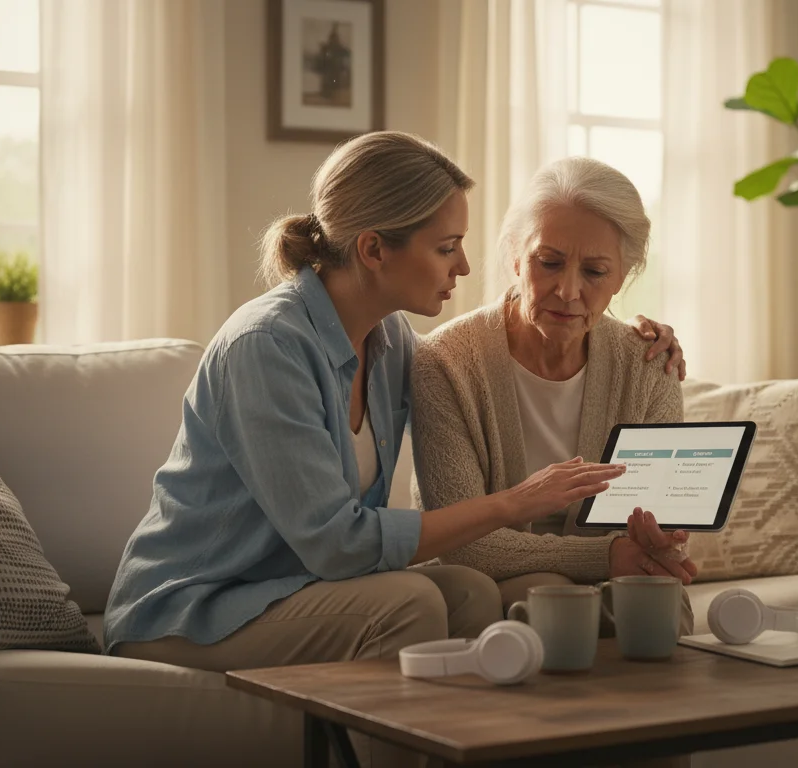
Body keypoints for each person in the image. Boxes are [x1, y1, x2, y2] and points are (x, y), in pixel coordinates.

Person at [103, 132, 681, 767]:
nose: (464, 267)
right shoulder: (266, 346)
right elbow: (337, 543)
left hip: (298, 592)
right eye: (447, 248)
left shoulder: (391, 343)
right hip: (195, 607)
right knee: (411, 601)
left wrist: (650, 338)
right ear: (374, 249)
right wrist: (513, 502)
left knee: (467, 593)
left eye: (596, 271)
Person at [409, 156, 699, 630]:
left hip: (618, 575)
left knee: (660, 609)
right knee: (553, 605)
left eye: (595, 272)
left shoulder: (649, 364)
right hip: (503, 578)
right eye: (550, 263)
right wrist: (606, 556)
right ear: (515, 259)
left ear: (622, 277)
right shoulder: (445, 362)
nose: (567, 291)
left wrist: (662, 540)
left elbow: (665, 533)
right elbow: (464, 542)